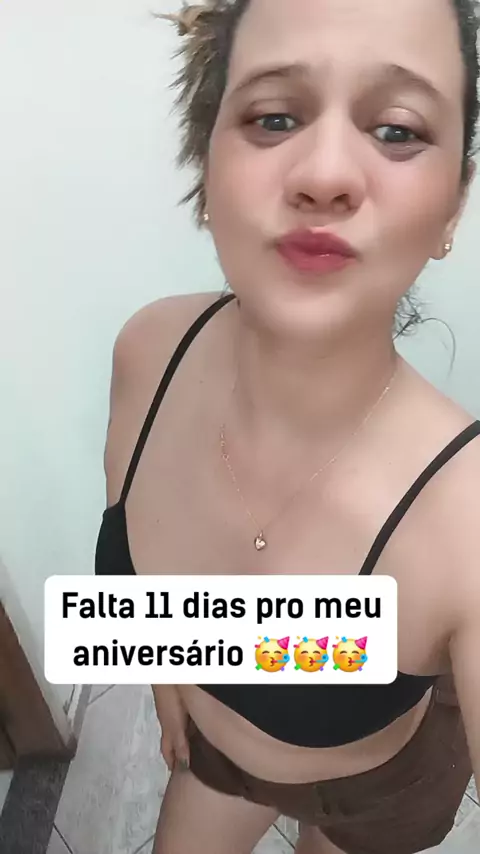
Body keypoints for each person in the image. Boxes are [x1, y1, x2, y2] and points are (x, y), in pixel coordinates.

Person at [95, 1, 480, 852]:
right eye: (274, 117)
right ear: (206, 161)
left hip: (377, 790)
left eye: (397, 130)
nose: (326, 173)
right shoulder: (149, 349)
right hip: (209, 754)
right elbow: (135, 601)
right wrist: (167, 685)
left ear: (453, 207)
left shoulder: (468, 518)